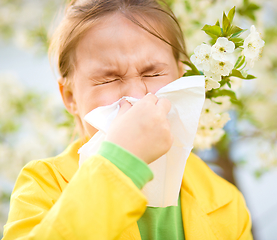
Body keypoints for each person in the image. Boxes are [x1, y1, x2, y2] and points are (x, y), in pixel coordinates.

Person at [2, 0, 253, 239]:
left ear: (180, 77)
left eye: (153, 72)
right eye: (108, 78)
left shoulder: (225, 202)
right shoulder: (43, 187)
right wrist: (119, 163)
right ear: (70, 98)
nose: (137, 96)